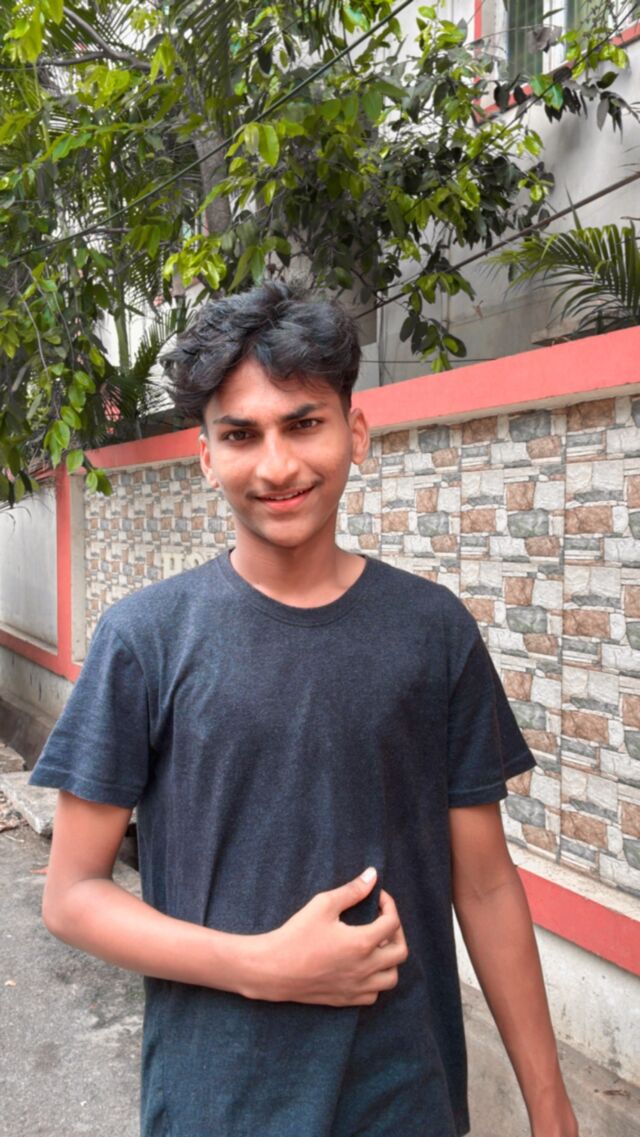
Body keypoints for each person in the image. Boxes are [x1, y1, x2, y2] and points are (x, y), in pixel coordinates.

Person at [30, 281, 578, 1137]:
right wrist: (264, 965)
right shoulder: (146, 639)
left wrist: (550, 1104)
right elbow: (71, 894)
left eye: (303, 423)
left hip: (405, 1100)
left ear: (355, 432)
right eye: (241, 434)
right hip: (218, 1104)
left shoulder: (432, 630)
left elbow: (485, 882)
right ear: (206, 455)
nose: (277, 465)